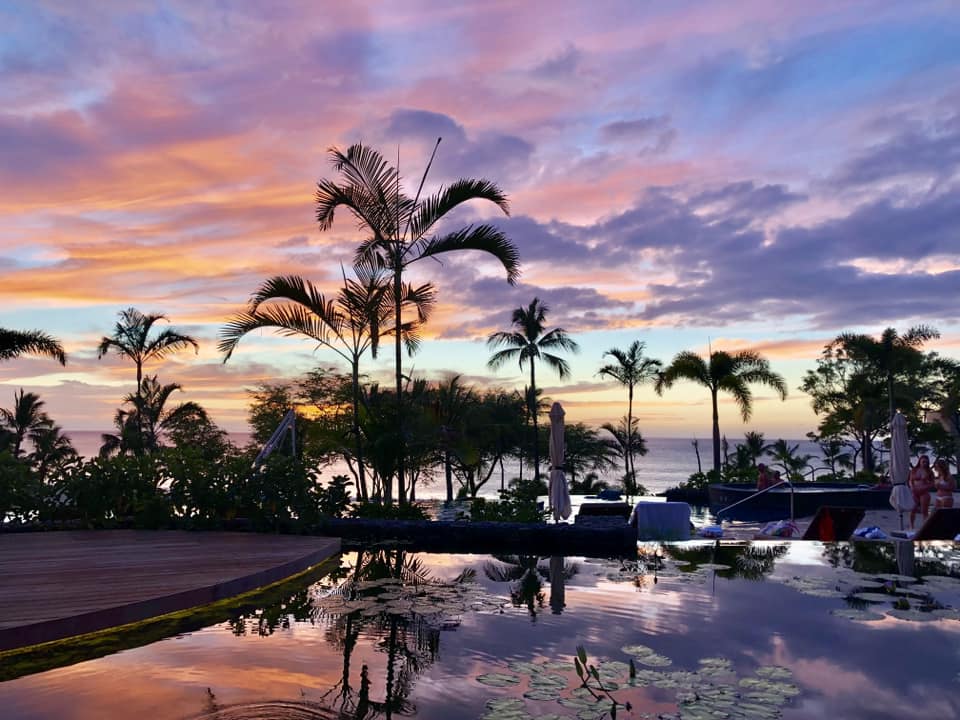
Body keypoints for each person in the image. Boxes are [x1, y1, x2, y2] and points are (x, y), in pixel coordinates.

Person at [909, 455, 935, 529]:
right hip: (915, 491)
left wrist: (927, 486)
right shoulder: (914, 470)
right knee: (913, 509)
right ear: (919, 461)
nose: (925, 463)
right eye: (923, 462)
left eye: (926, 462)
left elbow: (933, 483)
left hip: (924, 491)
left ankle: (925, 527)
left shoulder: (929, 471)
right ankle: (911, 526)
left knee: (924, 511)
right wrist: (912, 487)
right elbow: (910, 480)